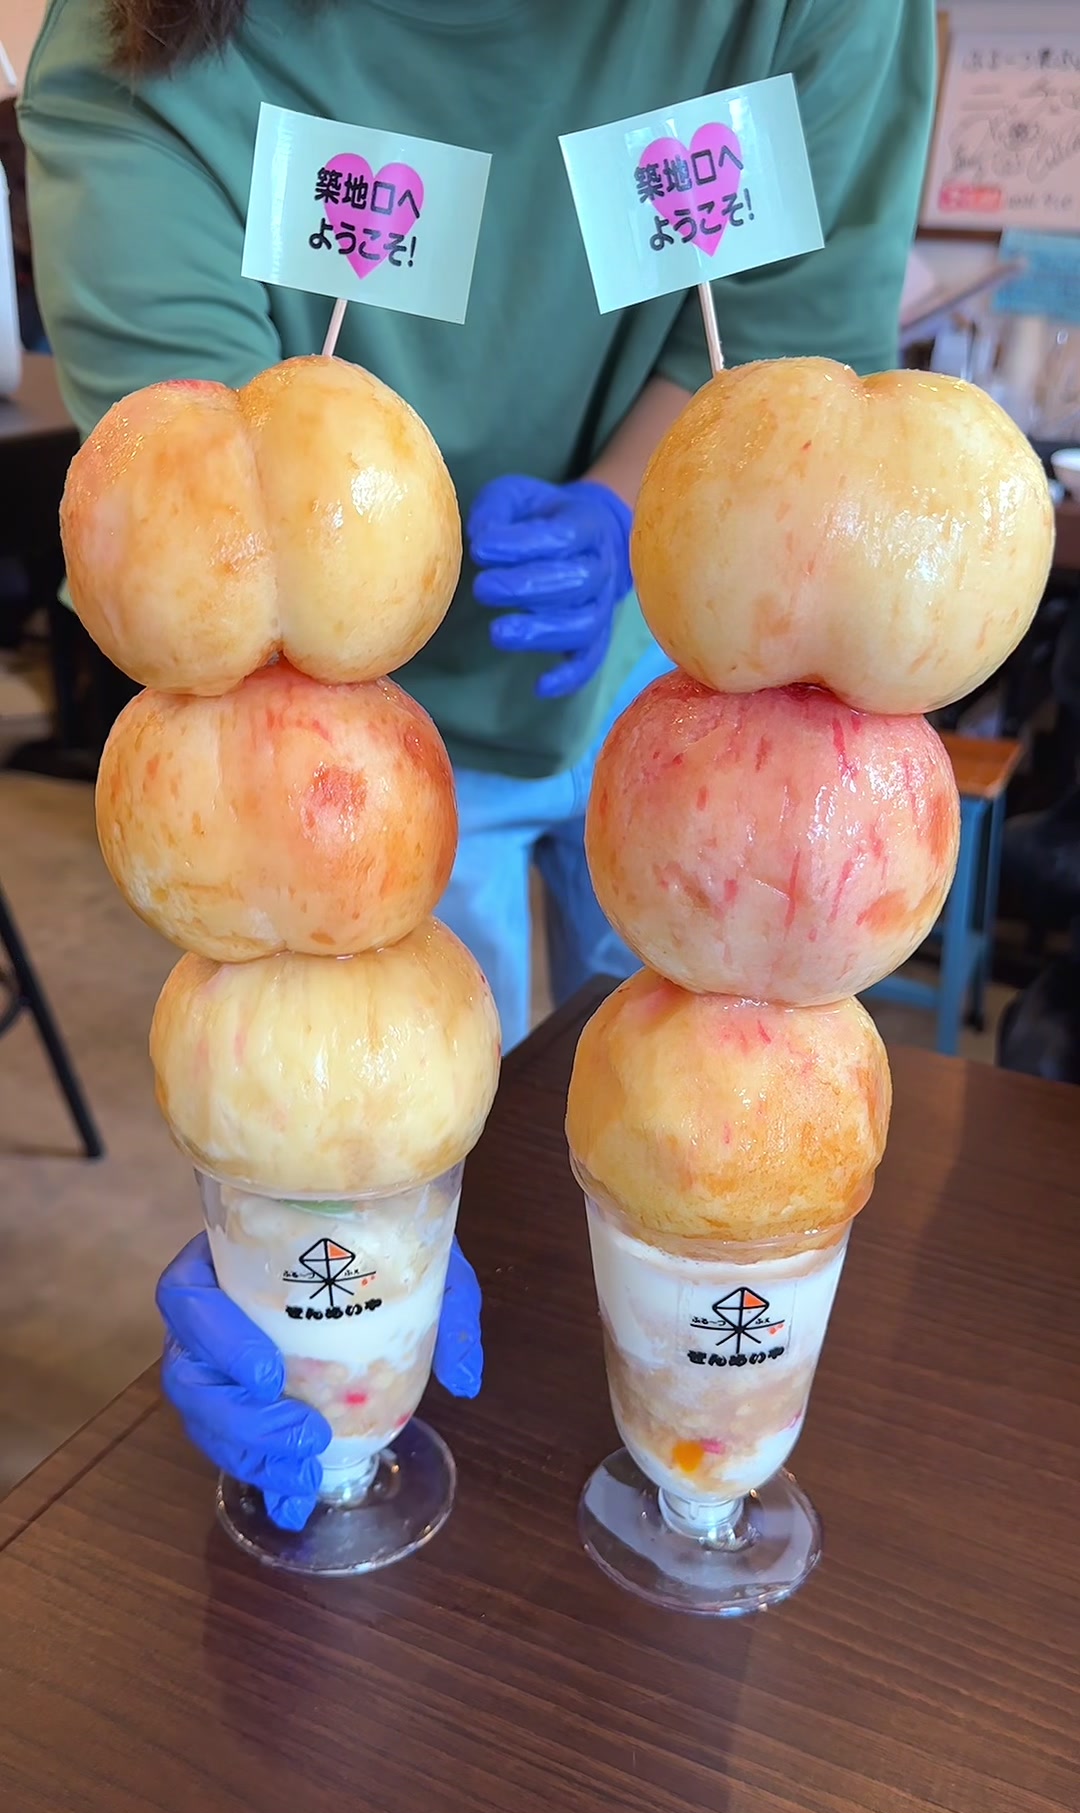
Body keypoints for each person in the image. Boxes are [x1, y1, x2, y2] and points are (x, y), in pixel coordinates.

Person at [20, 0, 936, 1525]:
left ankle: (696, 1458)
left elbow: (782, 337)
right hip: (337, 777)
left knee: (710, 1146)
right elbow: (182, 527)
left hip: (707, 682)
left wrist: (632, 515)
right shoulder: (143, 45)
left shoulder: (810, 9)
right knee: (399, 1151)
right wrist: (287, 1182)